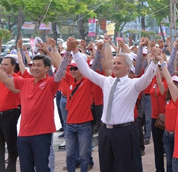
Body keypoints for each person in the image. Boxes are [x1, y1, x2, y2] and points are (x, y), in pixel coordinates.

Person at [67, 36, 158, 172]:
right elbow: (86, 71)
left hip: (124, 132)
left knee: (124, 167)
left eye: (119, 63)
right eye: (114, 63)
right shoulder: (106, 81)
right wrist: (74, 50)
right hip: (105, 131)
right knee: (106, 166)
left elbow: (147, 77)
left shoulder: (134, 84)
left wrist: (154, 61)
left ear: (128, 67)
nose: (115, 65)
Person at [0, 54, 61, 172]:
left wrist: (67, 51)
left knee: (42, 168)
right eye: (33, 65)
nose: (34, 68)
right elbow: (5, 79)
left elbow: (61, 71)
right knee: (26, 169)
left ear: (47, 68)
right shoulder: (25, 83)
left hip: (42, 135)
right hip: (23, 135)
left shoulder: (50, 83)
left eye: (39, 65)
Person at [55, 53, 94, 172]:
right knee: (70, 155)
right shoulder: (70, 80)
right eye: (71, 68)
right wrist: (51, 50)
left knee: (84, 155)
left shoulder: (88, 80)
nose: (72, 71)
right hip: (70, 124)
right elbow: (59, 65)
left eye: (75, 68)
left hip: (84, 124)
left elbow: (95, 65)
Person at [0, 55, 20, 172]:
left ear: (13, 66)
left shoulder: (16, 78)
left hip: (10, 113)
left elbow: (16, 89)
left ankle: (11, 168)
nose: (3, 66)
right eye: (2, 64)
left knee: (11, 142)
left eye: (6, 64)